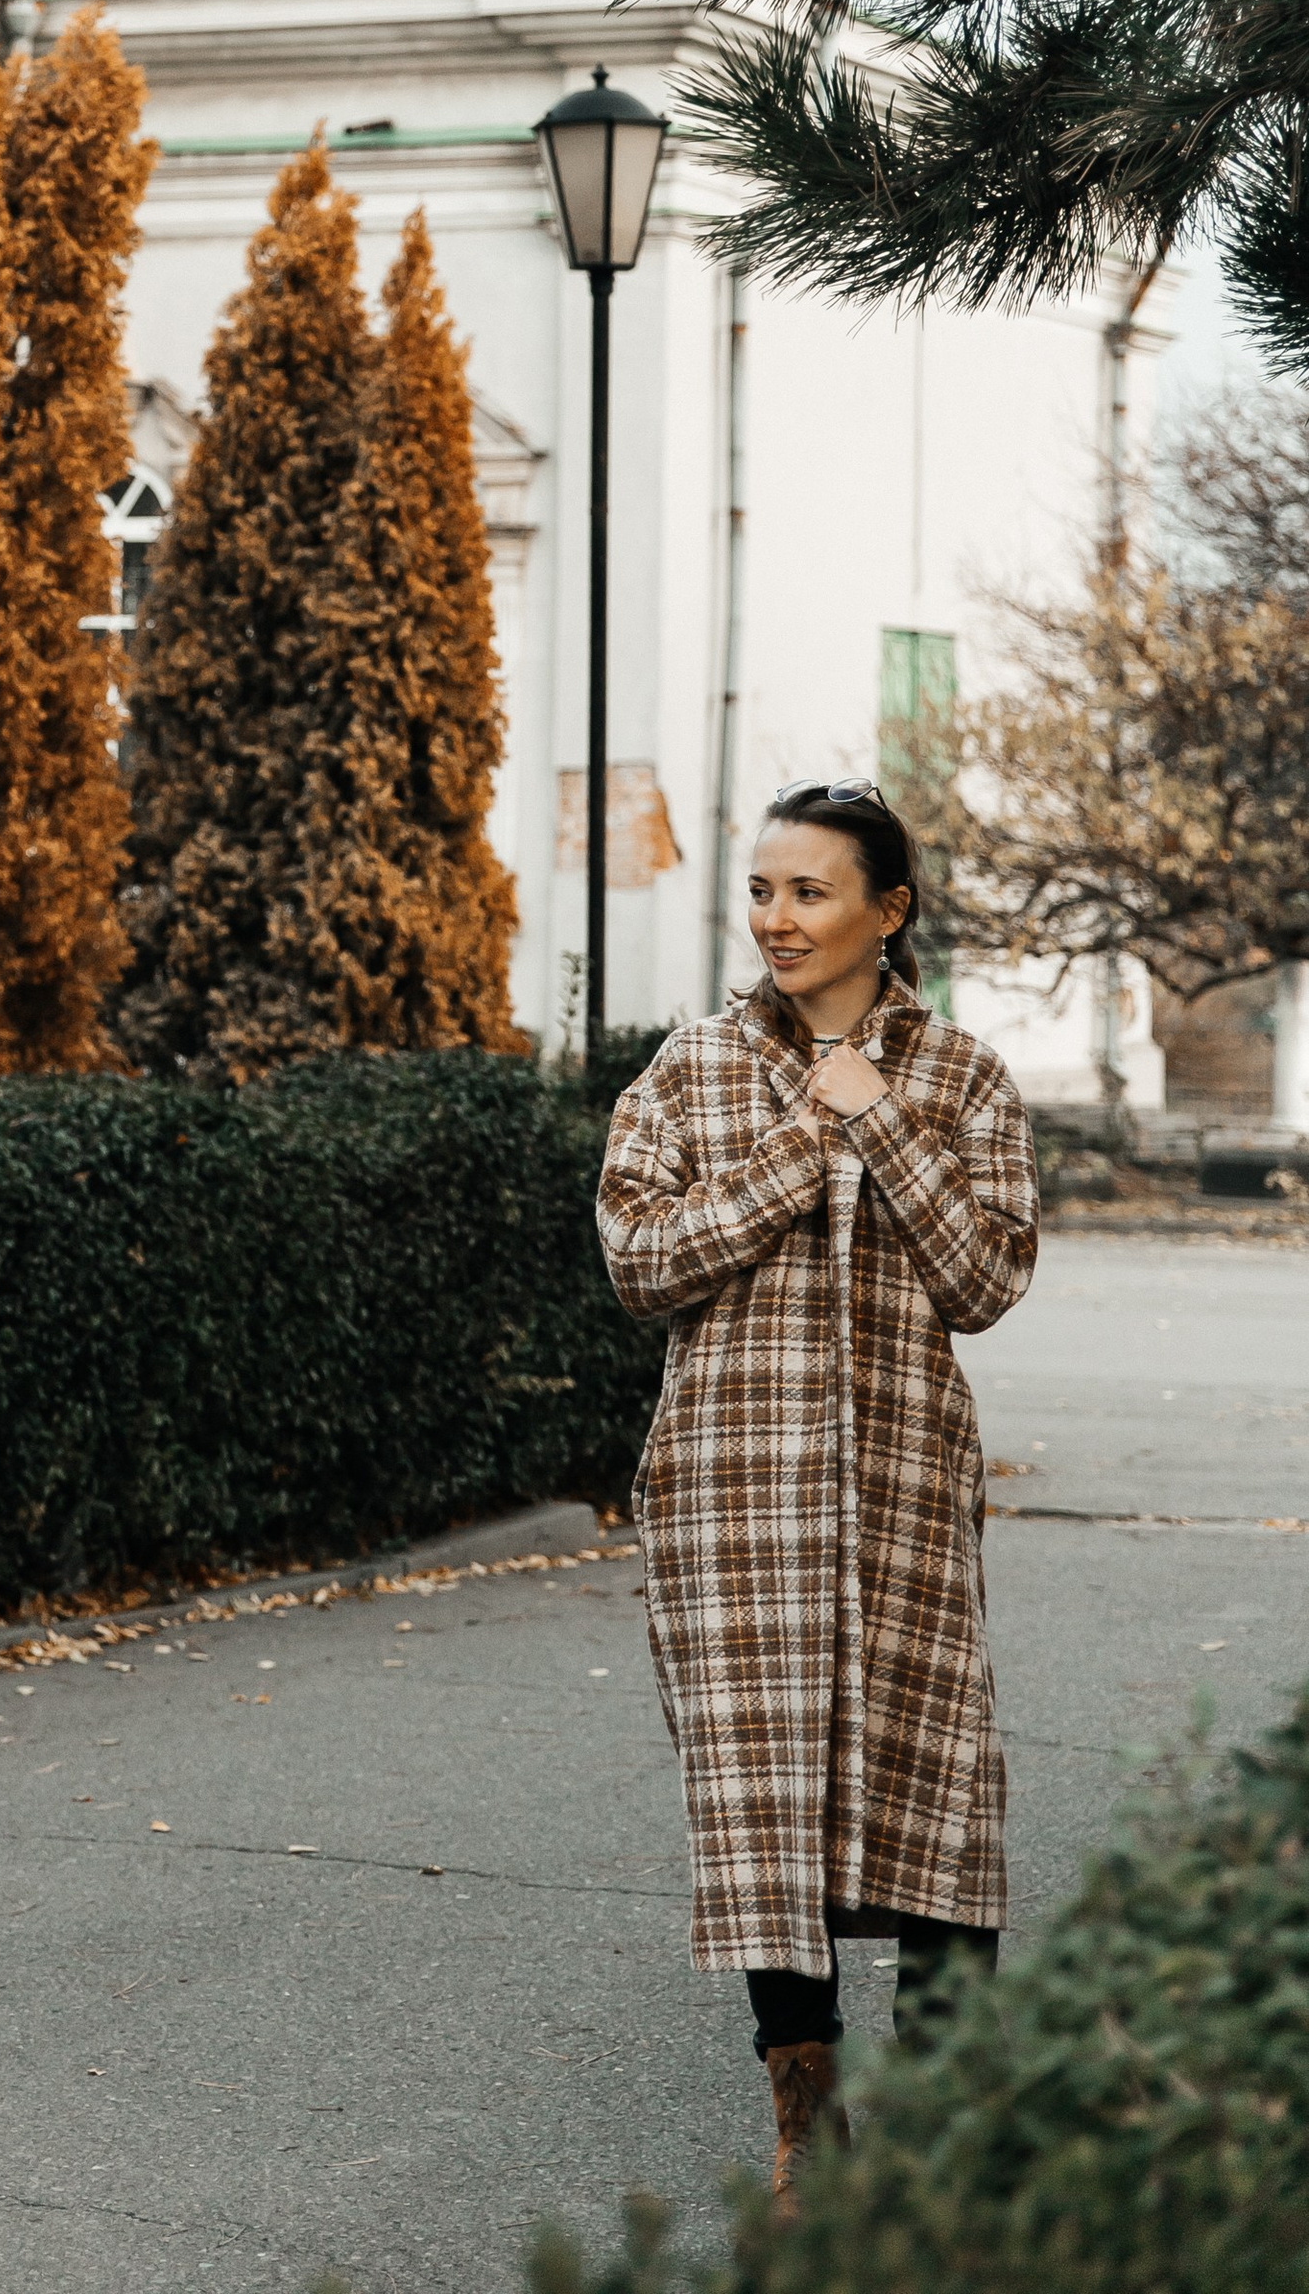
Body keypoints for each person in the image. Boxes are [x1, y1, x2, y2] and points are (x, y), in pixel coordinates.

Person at [597, 781, 1038, 2207]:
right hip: (737, 1501)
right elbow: (640, 1265)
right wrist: (802, 1142)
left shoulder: (964, 1078)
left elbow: (985, 1280)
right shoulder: (692, 1070)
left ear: (887, 910)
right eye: (763, 891)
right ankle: (807, 2123)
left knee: (943, 1799)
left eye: (810, 892)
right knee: (765, 1808)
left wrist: (884, 1122)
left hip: (904, 1495)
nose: (777, 920)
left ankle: (947, 2133)